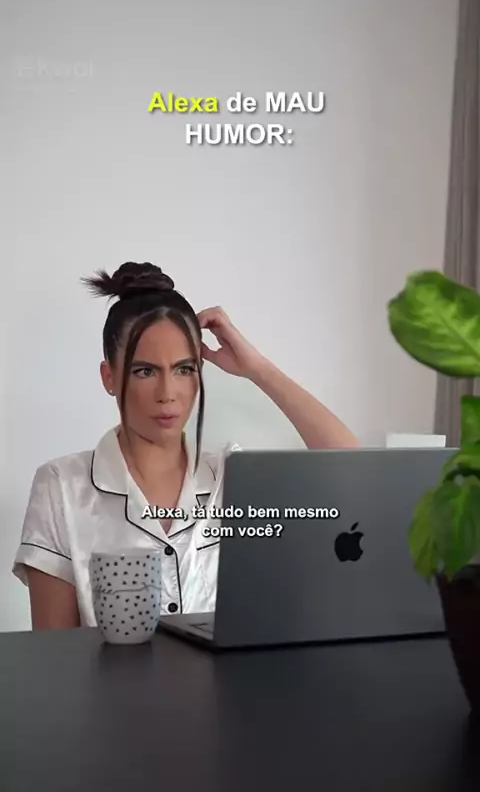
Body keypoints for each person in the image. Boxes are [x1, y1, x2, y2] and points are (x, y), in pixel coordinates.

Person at [12, 261, 359, 630]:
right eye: (145, 371)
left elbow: (353, 470)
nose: (168, 393)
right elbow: (54, 650)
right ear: (109, 377)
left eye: (184, 369)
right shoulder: (62, 487)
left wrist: (257, 368)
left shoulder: (235, 478)